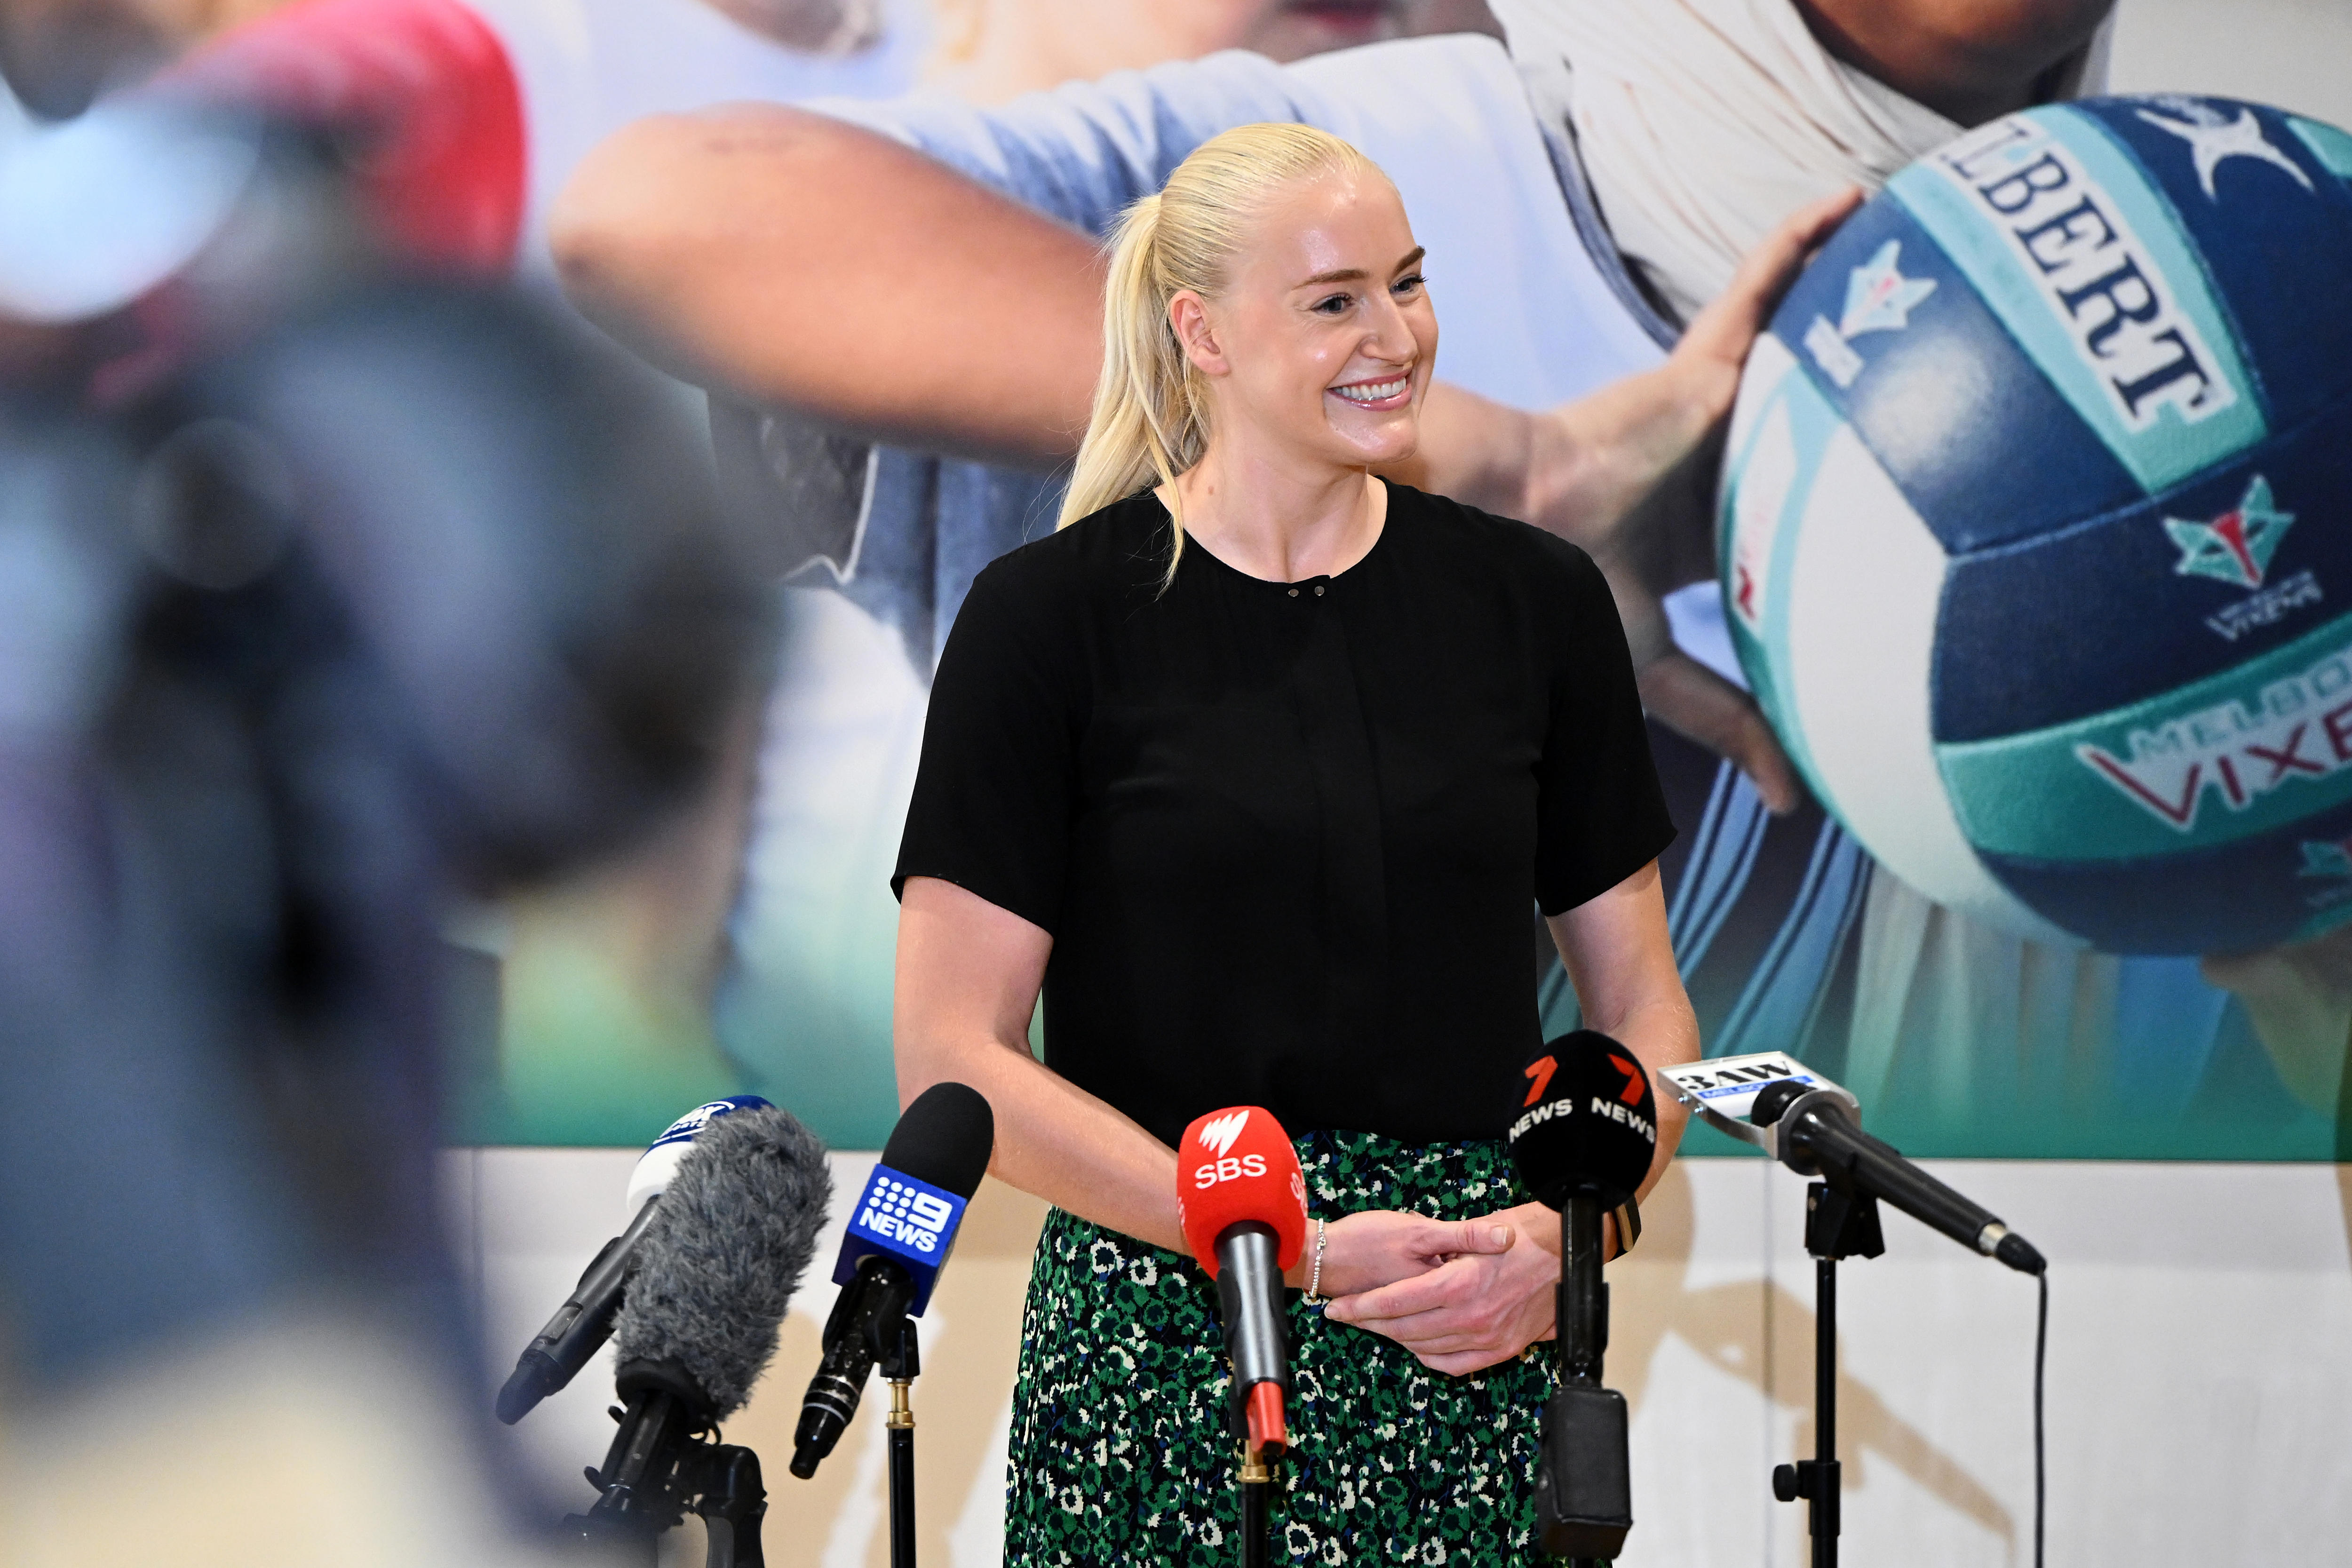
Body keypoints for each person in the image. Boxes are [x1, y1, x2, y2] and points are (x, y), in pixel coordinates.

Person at [887, 121, 1818, 1560]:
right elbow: (956, 1061)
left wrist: (1567, 1235)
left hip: (1469, 1332)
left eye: (1409, 282)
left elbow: (1644, 1009)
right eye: (1335, 301)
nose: (1398, 334)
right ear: (1200, 330)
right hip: (1159, 1340)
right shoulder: (1045, 623)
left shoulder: (1539, 604)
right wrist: (1291, 1248)